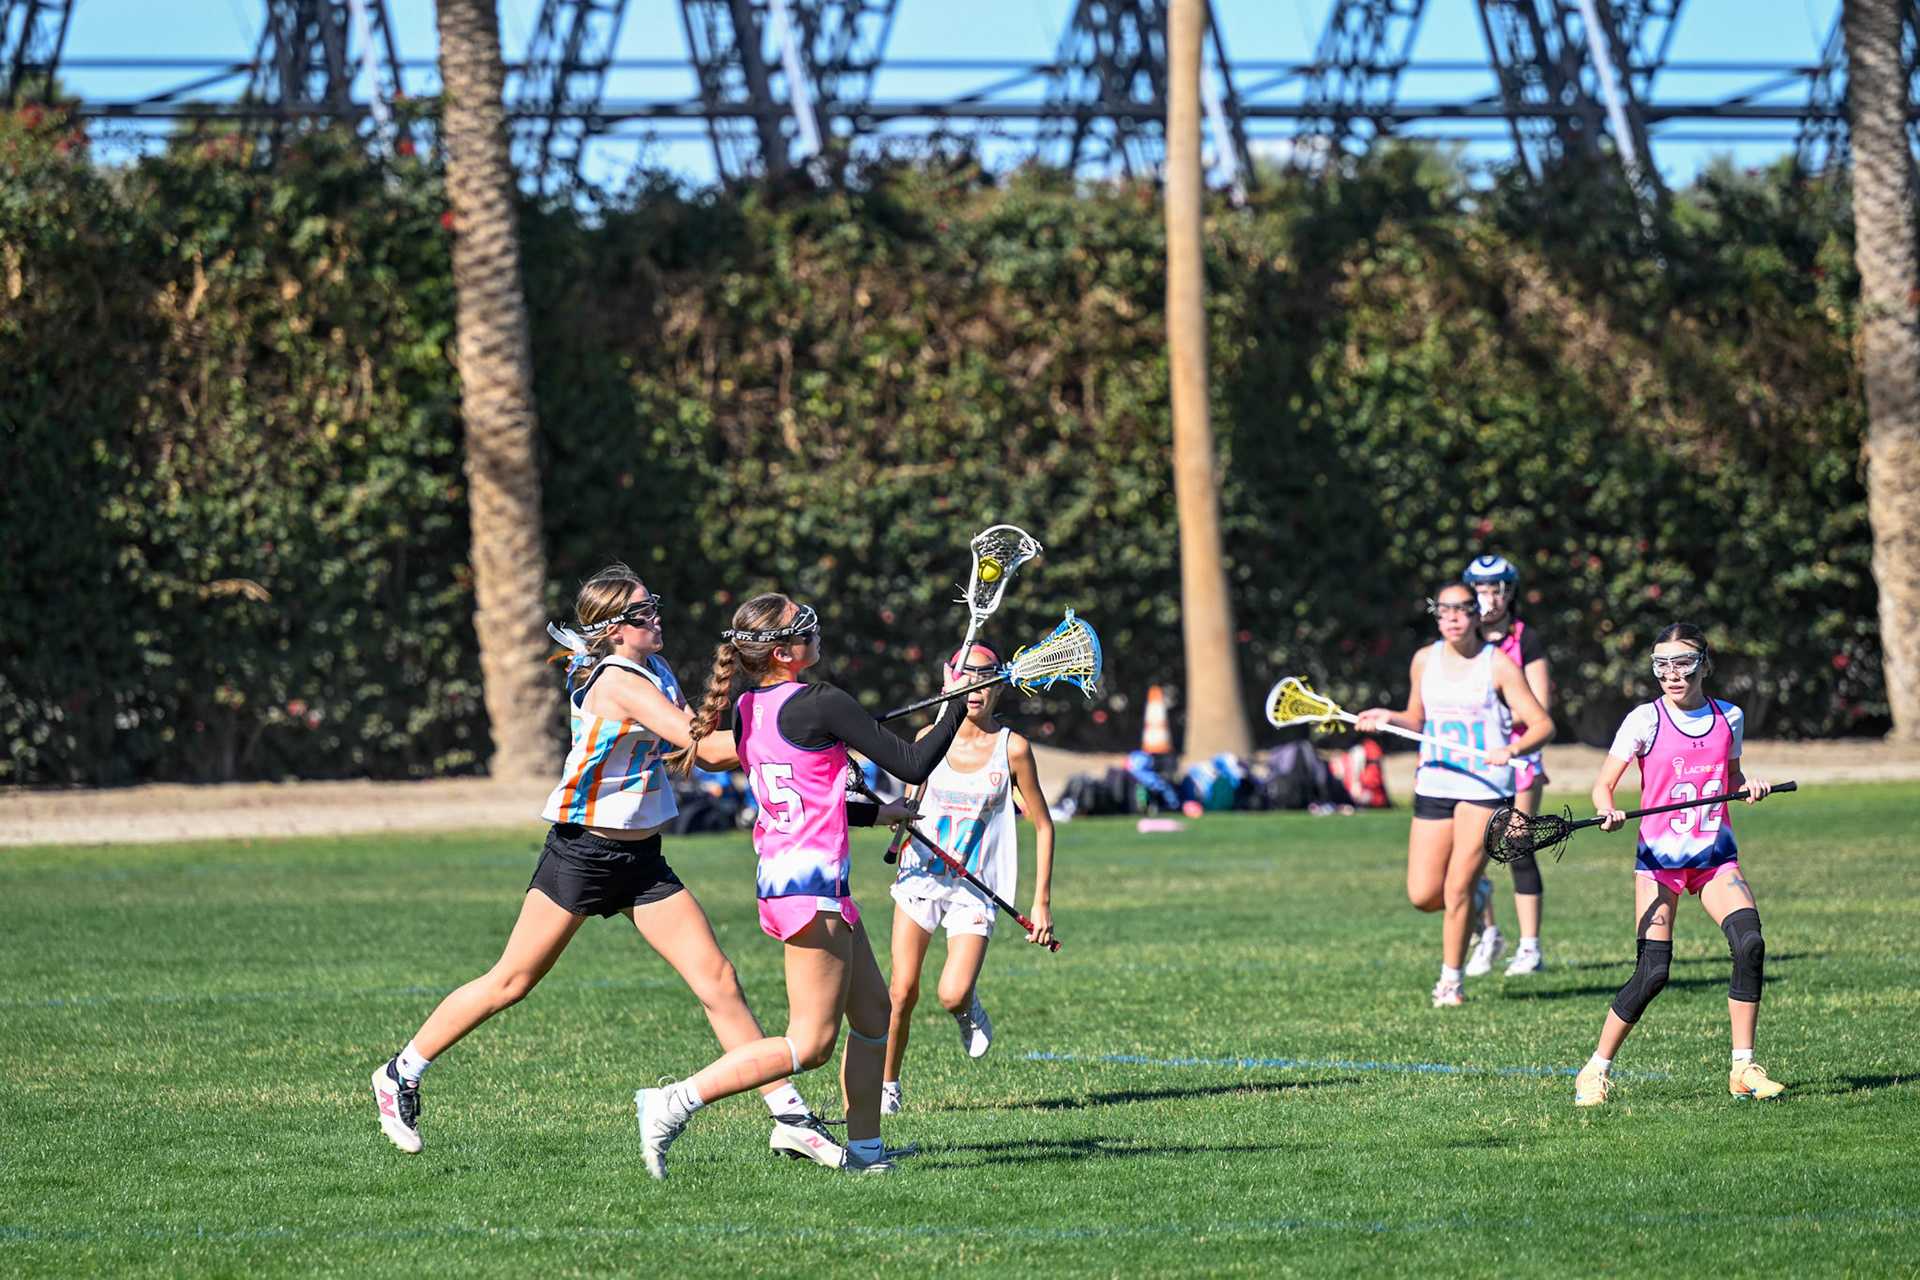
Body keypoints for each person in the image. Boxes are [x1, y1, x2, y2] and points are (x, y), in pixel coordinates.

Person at [370, 565, 845, 1168]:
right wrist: (806, 729)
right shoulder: (619, 681)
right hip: (584, 856)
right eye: (644, 612)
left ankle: (790, 1118)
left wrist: (804, 733)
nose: (657, 617)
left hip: (641, 862)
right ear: (615, 630)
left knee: (718, 980)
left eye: (654, 605)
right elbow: (700, 744)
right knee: (511, 982)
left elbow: (705, 758)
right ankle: (400, 1072)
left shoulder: (656, 670)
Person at [636, 593, 963, 1177]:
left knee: (875, 1016)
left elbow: (807, 794)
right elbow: (913, 764)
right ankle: (672, 1102)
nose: (815, 630)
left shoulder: (749, 708)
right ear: (782, 653)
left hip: (791, 880)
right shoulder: (822, 701)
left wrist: (878, 814)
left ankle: (866, 1153)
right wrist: (958, 704)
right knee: (810, 1044)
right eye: (802, 626)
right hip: (810, 887)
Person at [1573, 624, 1782, 1106]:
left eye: (1683, 663)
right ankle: (1594, 1070)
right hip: (1660, 862)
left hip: (1714, 857)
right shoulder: (1644, 720)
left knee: (1750, 945)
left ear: (1704, 665)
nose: (1671, 673)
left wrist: (1748, 787)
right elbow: (1604, 785)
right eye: (1661, 664)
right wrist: (1607, 810)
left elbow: (1731, 777)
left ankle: (1743, 1067)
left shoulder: (1729, 717)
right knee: (1653, 973)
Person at [1355, 581, 1553, 1007]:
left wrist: (1513, 749)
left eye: (1461, 609)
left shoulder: (1497, 664)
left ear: (1476, 614)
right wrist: (1387, 717)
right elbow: (1415, 719)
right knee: (1424, 895)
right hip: (1435, 783)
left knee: (1457, 885)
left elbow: (1542, 724)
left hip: (1485, 788)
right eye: (1443, 611)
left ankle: (1450, 982)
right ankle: (1481, 898)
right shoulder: (1423, 660)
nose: (1452, 618)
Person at [881, 645, 1057, 1116]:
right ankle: (888, 1086)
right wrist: (899, 824)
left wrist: (1040, 903)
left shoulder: (1013, 749)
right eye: (966, 675)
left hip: (975, 888)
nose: (974, 685)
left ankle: (966, 1008)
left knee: (951, 992)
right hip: (920, 877)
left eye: (984, 677)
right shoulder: (928, 737)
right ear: (950, 682)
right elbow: (910, 803)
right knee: (901, 991)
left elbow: (1043, 825)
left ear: (999, 685)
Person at [1460, 554, 1553, 978]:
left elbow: (1539, 707)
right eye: (1480, 589)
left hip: (1519, 755)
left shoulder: (1525, 639)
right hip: (1475, 757)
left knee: (1517, 844)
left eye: (1496, 589)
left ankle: (1530, 948)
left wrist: (1495, 716)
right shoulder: (1464, 640)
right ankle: (1489, 933)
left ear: (1509, 592)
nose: (1488, 598)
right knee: (1470, 851)